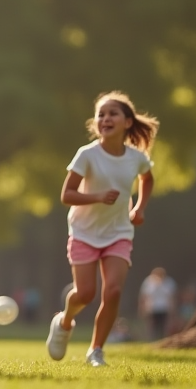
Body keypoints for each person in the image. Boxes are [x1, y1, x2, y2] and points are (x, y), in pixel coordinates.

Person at [46, 92, 157, 367]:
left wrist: (140, 208)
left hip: (119, 232)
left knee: (114, 291)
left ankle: (96, 350)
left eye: (112, 114)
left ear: (128, 122)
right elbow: (67, 195)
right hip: (84, 231)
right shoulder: (87, 155)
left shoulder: (136, 158)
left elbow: (147, 178)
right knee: (85, 294)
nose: (105, 118)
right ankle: (65, 320)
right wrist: (96, 197)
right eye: (101, 114)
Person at [139, 267, 177, 341]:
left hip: (164, 308)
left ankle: (163, 339)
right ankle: (152, 340)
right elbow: (144, 296)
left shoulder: (169, 283)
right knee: (152, 326)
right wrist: (142, 308)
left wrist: (173, 309)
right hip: (152, 308)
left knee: (164, 326)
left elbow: (171, 297)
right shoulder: (148, 282)